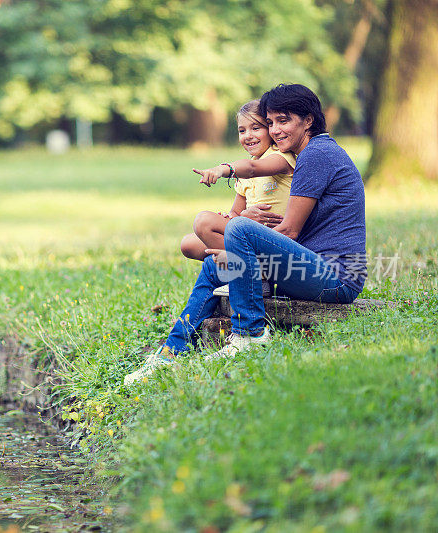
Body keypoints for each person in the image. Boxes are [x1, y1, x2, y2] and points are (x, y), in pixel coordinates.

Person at [125, 83, 366, 386]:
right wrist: (240, 256)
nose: (276, 130)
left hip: (337, 277)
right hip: (309, 267)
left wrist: (241, 250)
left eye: (284, 120)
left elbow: (289, 230)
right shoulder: (310, 153)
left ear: (308, 120)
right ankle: (170, 352)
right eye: (272, 122)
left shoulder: (317, 155)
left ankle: (250, 334)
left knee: (240, 228)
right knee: (215, 264)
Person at [180, 100, 296, 264]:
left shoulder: (280, 157)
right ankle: (246, 261)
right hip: (250, 235)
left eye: (256, 128)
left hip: (275, 240)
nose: (248, 135)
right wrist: (236, 217)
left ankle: (248, 268)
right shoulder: (244, 174)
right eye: (242, 130)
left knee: (203, 221)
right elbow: (236, 212)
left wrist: (222, 169)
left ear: (270, 129)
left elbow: (252, 168)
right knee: (188, 243)